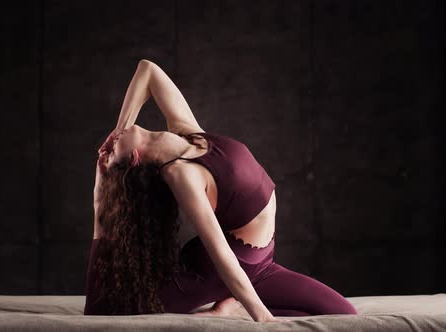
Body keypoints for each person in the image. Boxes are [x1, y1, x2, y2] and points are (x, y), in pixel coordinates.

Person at [84, 59, 358, 323]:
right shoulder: (180, 173)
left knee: (344, 311)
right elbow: (221, 253)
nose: (108, 144)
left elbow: (148, 70)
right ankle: (231, 304)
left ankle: (232, 302)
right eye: (110, 152)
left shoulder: (190, 134)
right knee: (100, 306)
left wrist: (117, 131)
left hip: (260, 263)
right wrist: (261, 317)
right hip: (218, 272)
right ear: (133, 159)